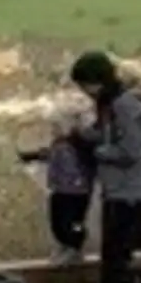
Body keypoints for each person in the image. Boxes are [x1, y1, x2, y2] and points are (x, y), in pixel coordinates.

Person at [69, 49, 141, 283]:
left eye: (86, 85)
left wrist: (97, 152)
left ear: (98, 81)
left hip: (130, 190)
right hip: (118, 189)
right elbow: (109, 136)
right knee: (114, 252)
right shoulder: (111, 105)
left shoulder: (124, 106)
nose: (85, 91)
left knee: (120, 253)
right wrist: (84, 136)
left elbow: (131, 149)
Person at [35, 104, 96, 262]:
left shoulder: (78, 145)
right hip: (59, 189)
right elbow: (54, 158)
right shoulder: (58, 145)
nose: (53, 130)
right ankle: (64, 245)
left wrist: (79, 183)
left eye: (56, 127)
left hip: (76, 191)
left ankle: (74, 246)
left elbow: (83, 165)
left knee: (73, 222)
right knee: (57, 221)